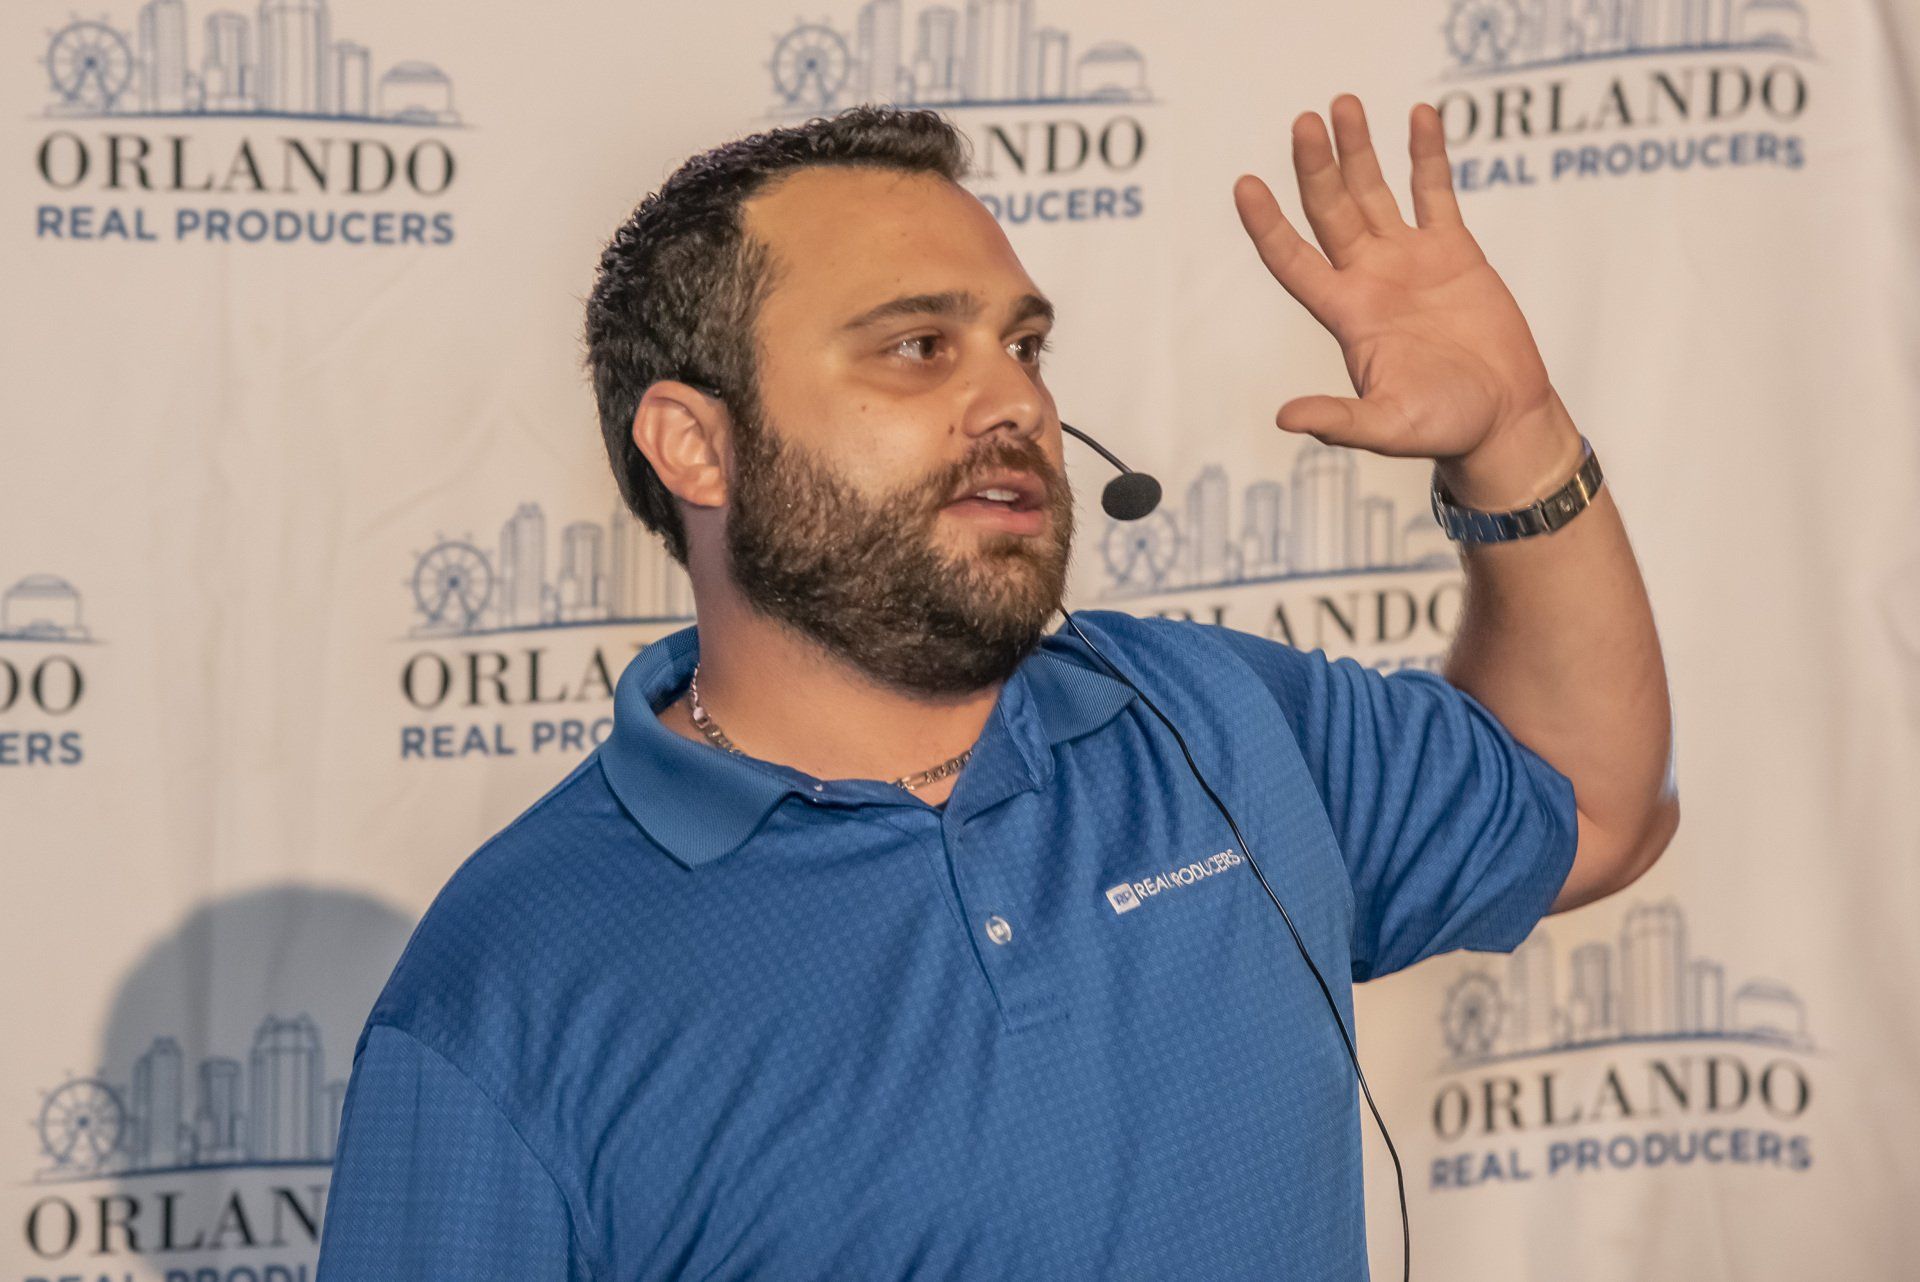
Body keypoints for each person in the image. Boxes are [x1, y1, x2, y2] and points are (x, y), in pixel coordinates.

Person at [315, 96, 1677, 1280]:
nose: (1015, 403)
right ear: (696, 446)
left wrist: (1516, 435)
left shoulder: (1209, 720)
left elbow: (1594, 807)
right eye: (918, 346)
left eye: (1022, 345)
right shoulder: (506, 988)